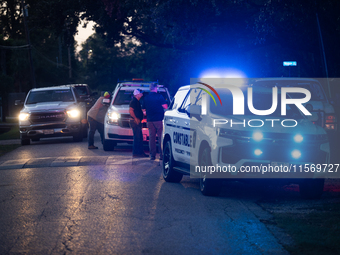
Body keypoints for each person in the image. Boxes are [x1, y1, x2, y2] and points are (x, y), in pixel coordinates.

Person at [143, 83, 168, 160]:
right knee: (160, 137)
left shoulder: (146, 98)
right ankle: (161, 155)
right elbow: (165, 106)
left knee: (151, 138)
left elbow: (143, 110)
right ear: (155, 88)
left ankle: (152, 155)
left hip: (150, 120)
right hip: (158, 120)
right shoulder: (159, 96)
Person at [129, 89, 148, 157]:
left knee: (139, 137)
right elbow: (131, 111)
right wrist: (135, 118)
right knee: (137, 138)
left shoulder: (136, 101)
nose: (142, 94)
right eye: (141, 93)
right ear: (137, 94)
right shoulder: (134, 101)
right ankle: (136, 153)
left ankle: (140, 152)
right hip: (135, 122)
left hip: (137, 121)